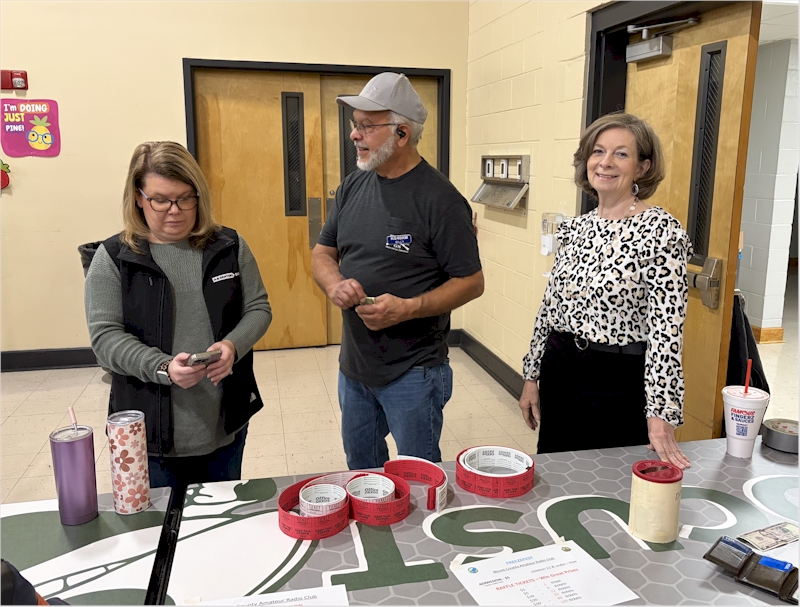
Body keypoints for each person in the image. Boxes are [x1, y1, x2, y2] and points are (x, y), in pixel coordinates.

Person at [312, 72, 484, 470]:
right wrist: (335, 284)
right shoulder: (354, 186)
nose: (354, 135)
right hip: (354, 367)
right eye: (355, 125)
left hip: (414, 371)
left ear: (402, 134)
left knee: (417, 475)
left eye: (365, 126)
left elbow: (472, 282)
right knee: (363, 470)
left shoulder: (440, 201)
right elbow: (322, 254)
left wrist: (406, 308)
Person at [85, 141, 272, 490]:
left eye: (186, 198)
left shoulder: (229, 247)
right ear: (138, 197)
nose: (175, 210)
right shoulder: (114, 258)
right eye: (161, 199)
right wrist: (163, 367)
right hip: (150, 433)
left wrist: (233, 346)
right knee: (159, 532)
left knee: (216, 521)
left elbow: (258, 308)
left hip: (224, 421)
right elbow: (105, 339)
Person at [518, 112, 692, 469]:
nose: (606, 162)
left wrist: (661, 412)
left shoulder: (661, 230)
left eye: (621, 154)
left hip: (619, 378)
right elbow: (550, 310)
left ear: (643, 167)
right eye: (598, 152)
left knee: (611, 483)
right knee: (558, 472)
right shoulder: (576, 229)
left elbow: (666, 331)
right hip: (562, 369)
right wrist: (532, 375)